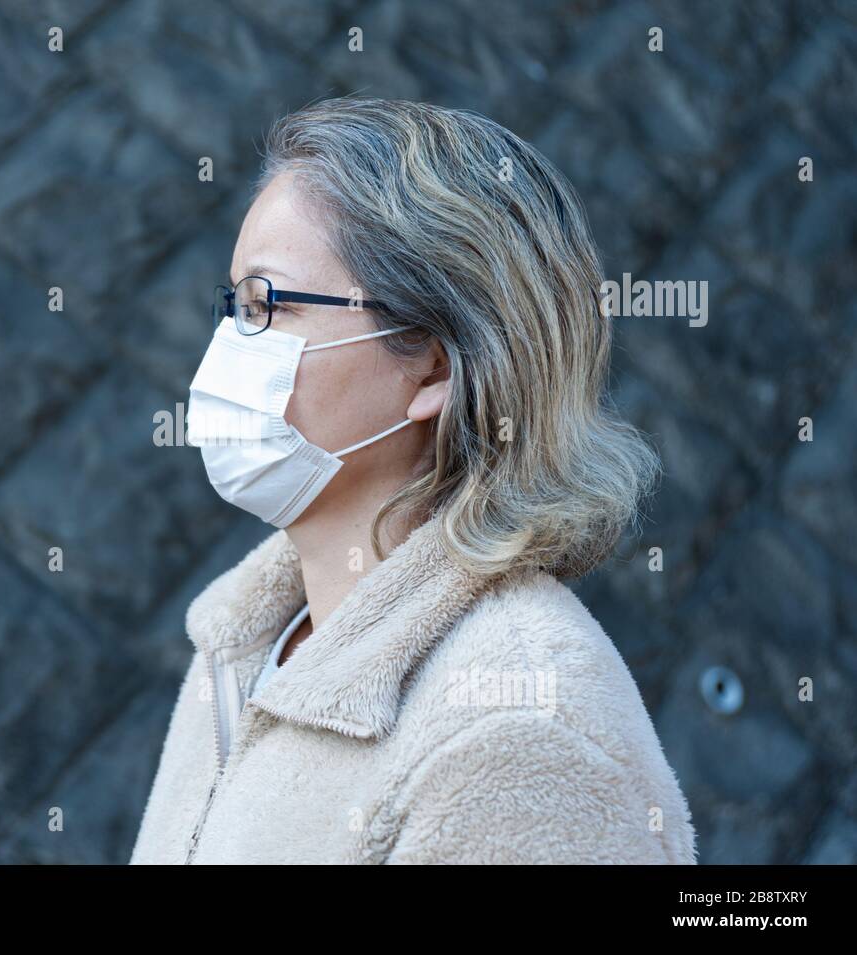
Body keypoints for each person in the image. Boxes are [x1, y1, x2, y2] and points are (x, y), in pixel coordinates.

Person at [130, 97, 697, 864]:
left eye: (268, 303)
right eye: (234, 305)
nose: (230, 345)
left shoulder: (522, 726)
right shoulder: (242, 647)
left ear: (433, 361)